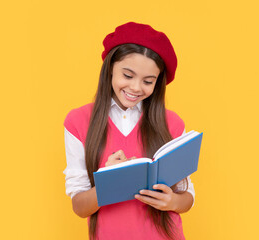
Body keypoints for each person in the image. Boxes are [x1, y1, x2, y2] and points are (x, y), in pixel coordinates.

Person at [63, 22, 195, 240]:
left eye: (148, 81)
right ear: (110, 69)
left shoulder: (172, 123)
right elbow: (79, 207)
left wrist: (172, 201)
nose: (135, 87)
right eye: (127, 75)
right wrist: (109, 182)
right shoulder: (78, 121)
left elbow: (186, 196)